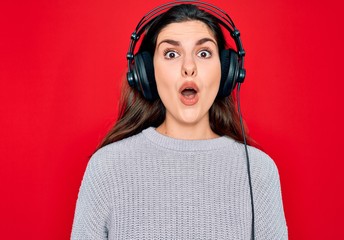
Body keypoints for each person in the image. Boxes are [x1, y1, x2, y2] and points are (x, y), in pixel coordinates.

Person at [71, 2, 288, 239]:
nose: (189, 67)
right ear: (146, 73)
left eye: (204, 53)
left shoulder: (258, 172)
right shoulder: (107, 168)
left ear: (228, 72)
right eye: (171, 54)